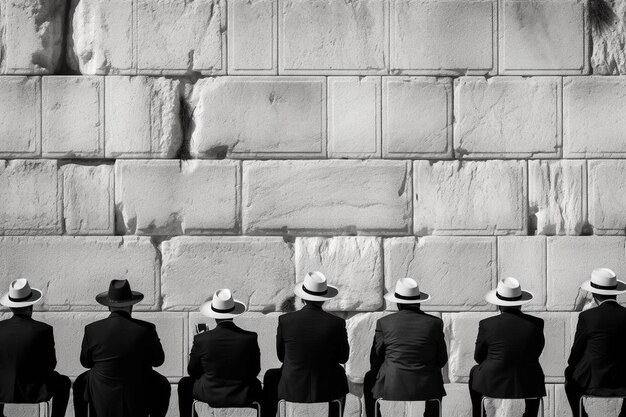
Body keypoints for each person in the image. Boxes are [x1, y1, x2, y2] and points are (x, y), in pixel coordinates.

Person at [73, 279, 171, 417]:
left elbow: (85, 362)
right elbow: (158, 361)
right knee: (163, 384)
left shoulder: (92, 330)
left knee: (80, 382)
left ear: (109, 306)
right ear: (131, 305)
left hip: (102, 394)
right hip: (138, 393)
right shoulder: (147, 329)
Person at [263, 272, 349, 417]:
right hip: (327, 386)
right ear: (324, 300)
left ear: (302, 299)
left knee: (270, 376)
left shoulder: (285, 321)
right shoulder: (337, 323)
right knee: (340, 376)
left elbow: (281, 356)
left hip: (292, 385)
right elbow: (343, 358)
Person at [363, 278, 447, 417]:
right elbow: (441, 360)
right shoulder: (435, 323)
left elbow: (375, 360)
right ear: (419, 301)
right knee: (435, 376)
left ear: (398, 304)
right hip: (426, 385)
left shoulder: (384, 323)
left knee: (369, 377)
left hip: (392, 383)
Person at [178, 288, 263, 417]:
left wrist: (200, 345)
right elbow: (255, 370)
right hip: (243, 394)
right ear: (233, 314)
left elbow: (192, 371)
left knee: (185, 384)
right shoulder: (250, 338)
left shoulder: (202, 339)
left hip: (210, 393)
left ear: (214, 315)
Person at [469, 277, 545, 417]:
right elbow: (537, 351)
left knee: (474, 372)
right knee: (535, 371)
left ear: (499, 305)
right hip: (528, 380)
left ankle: (478, 414)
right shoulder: (537, 323)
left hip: (494, 380)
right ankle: (530, 414)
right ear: (520, 304)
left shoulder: (487, 324)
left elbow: (478, 357)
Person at [0, 279, 71, 417]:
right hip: (35, 391)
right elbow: (51, 364)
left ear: (11, 306)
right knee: (64, 382)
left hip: (3, 390)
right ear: (30, 305)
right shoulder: (43, 330)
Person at [565, 268, 626, 417]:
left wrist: (571, 366)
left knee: (570, 377)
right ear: (616, 292)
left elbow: (576, 352)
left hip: (593, 381)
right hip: (624, 382)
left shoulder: (587, 317)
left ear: (593, 294)